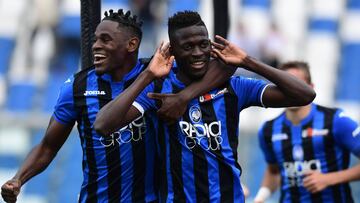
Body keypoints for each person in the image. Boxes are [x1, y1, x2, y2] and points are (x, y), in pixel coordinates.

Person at [0, 9, 234, 203]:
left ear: (131, 44)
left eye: (105, 40)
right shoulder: (77, 87)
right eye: (95, 40)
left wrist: (184, 97)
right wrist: (19, 179)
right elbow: (47, 147)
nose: (95, 47)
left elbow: (223, 67)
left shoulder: (159, 74)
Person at [94, 11, 315, 202]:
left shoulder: (234, 87)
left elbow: (305, 94)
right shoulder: (159, 89)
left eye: (203, 44)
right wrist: (148, 75)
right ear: (173, 51)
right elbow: (103, 125)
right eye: (188, 47)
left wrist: (248, 61)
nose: (198, 53)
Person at [255, 61, 360, 203]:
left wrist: (329, 179)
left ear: (310, 88)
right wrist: (261, 197)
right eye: (284, 85)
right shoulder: (268, 130)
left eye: (296, 84)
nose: (290, 91)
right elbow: (273, 171)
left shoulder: (336, 121)